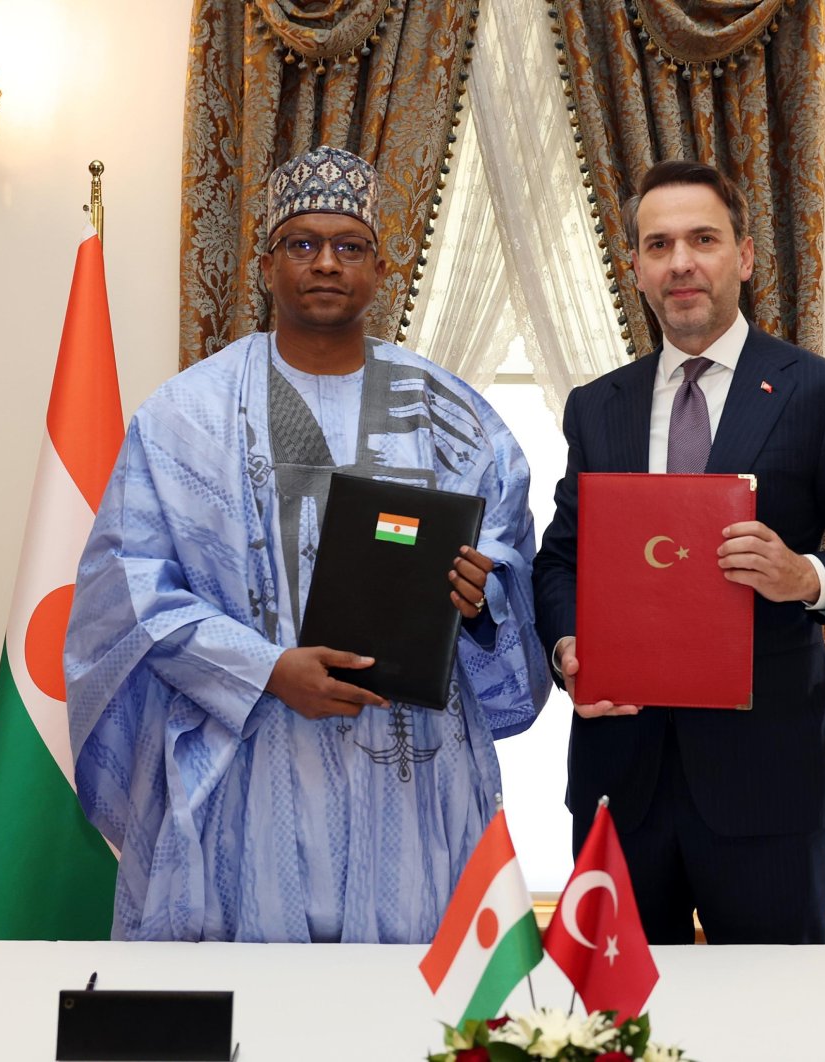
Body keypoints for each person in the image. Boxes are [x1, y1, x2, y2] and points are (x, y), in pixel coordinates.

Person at [66, 145, 549, 944]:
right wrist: (264, 670)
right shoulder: (185, 416)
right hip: (253, 767)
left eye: (348, 245)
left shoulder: (451, 412)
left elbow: (510, 550)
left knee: (410, 1016)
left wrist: (484, 590)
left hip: (411, 768)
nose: (326, 263)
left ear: (381, 267)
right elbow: (128, 588)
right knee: (262, 1014)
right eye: (302, 243)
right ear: (264, 265)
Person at [532, 159, 825, 945]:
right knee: (617, 1024)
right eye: (659, 244)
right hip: (620, 785)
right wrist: (569, 645)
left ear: (743, 256)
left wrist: (803, 575)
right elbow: (559, 562)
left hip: (767, 790)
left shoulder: (817, 392)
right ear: (635, 269)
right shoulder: (596, 406)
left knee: (775, 1027)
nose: (681, 262)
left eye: (703, 240)